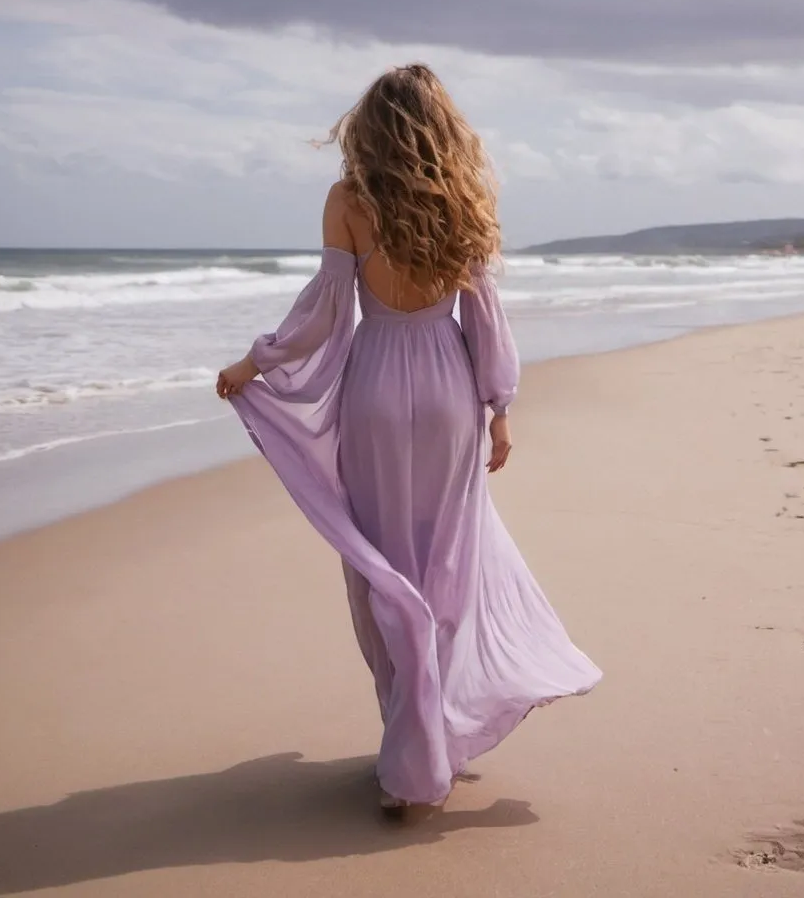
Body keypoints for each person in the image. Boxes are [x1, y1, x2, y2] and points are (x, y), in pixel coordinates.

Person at [216, 64, 600, 812]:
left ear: (369, 128)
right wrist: (499, 406)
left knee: (383, 569)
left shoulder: (348, 201)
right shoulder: (464, 201)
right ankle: (433, 738)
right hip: (450, 393)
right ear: (441, 128)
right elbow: (485, 318)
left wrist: (253, 362)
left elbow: (325, 313)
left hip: (377, 393)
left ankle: (414, 742)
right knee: (446, 567)